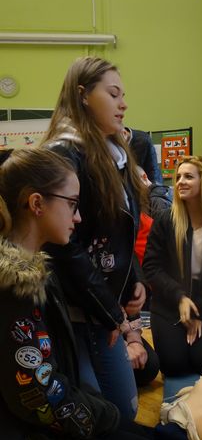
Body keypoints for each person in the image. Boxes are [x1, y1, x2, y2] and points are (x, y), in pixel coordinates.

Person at [0, 148, 161, 440]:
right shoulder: (13, 288)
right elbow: (38, 399)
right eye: (72, 205)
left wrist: (100, 413)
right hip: (19, 434)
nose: (78, 217)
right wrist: (102, 416)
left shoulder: (35, 267)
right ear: (37, 204)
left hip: (36, 416)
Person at [41, 56, 158, 420]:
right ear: (83, 95)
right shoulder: (65, 153)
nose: (123, 104)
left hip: (103, 309)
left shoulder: (114, 155)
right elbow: (64, 246)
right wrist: (112, 312)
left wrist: (134, 279)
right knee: (102, 411)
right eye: (113, 94)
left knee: (121, 409)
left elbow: (121, 230)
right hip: (77, 310)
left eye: (123, 95)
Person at [142, 155, 202, 376]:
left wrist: (198, 310)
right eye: (178, 177)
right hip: (168, 305)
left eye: (188, 177)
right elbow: (152, 267)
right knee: (174, 365)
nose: (180, 182)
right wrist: (180, 298)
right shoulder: (165, 220)